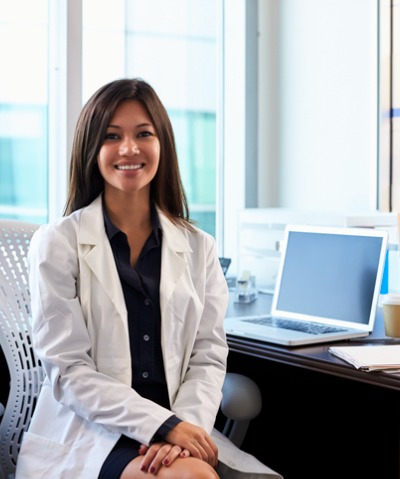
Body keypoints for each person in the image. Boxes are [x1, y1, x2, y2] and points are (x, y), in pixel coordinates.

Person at [14, 78, 282, 479]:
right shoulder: (58, 243)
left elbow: (207, 358)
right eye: (112, 136)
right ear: (92, 148)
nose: (129, 148)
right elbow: (69, 371)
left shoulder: (198, 246)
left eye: (143, 134)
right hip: (93, 431)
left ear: (163, 145)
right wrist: (161, 425)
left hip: (179, 427)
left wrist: (180, 429)